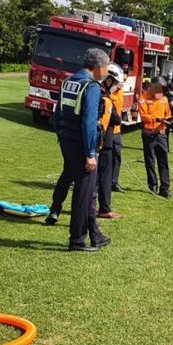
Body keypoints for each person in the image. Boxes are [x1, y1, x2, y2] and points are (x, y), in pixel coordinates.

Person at [52, 48, 111, 252]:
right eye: (105, 68)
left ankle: (95, 234)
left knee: (85, 190)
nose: (106, 73)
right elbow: (88, 122)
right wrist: (90, 154)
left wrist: (61, 137)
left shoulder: (68, 81)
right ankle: (77, 240)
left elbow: (57, 113)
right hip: (82, 145)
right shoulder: (91, 86)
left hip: (67, 142)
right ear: (98, 67)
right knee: (83, 193)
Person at [96, 63, 123, 219]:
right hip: (104, 141)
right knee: (104, 176)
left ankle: (95, 206)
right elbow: (116, 119)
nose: (115, 86)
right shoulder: (104, 97)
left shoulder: (97, 92)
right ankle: (103, 209)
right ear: (108, 80)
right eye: (114, 83)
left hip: (98, 140)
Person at [138, 76, 171, 198]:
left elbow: (168, 115)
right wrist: (156, 119)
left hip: (160, 134)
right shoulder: (143, 98)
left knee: (163, 161)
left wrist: (167, 122)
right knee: (150, 161)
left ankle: (165, 188)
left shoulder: (164, 100)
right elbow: (143, 115)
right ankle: (152, 185)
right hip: (148, 134)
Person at [111, 78, 125, 193]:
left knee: (117, 156)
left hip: (116, 130)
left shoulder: (121, 92)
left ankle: (114, 182)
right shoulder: (105, 91)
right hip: (106, 129)